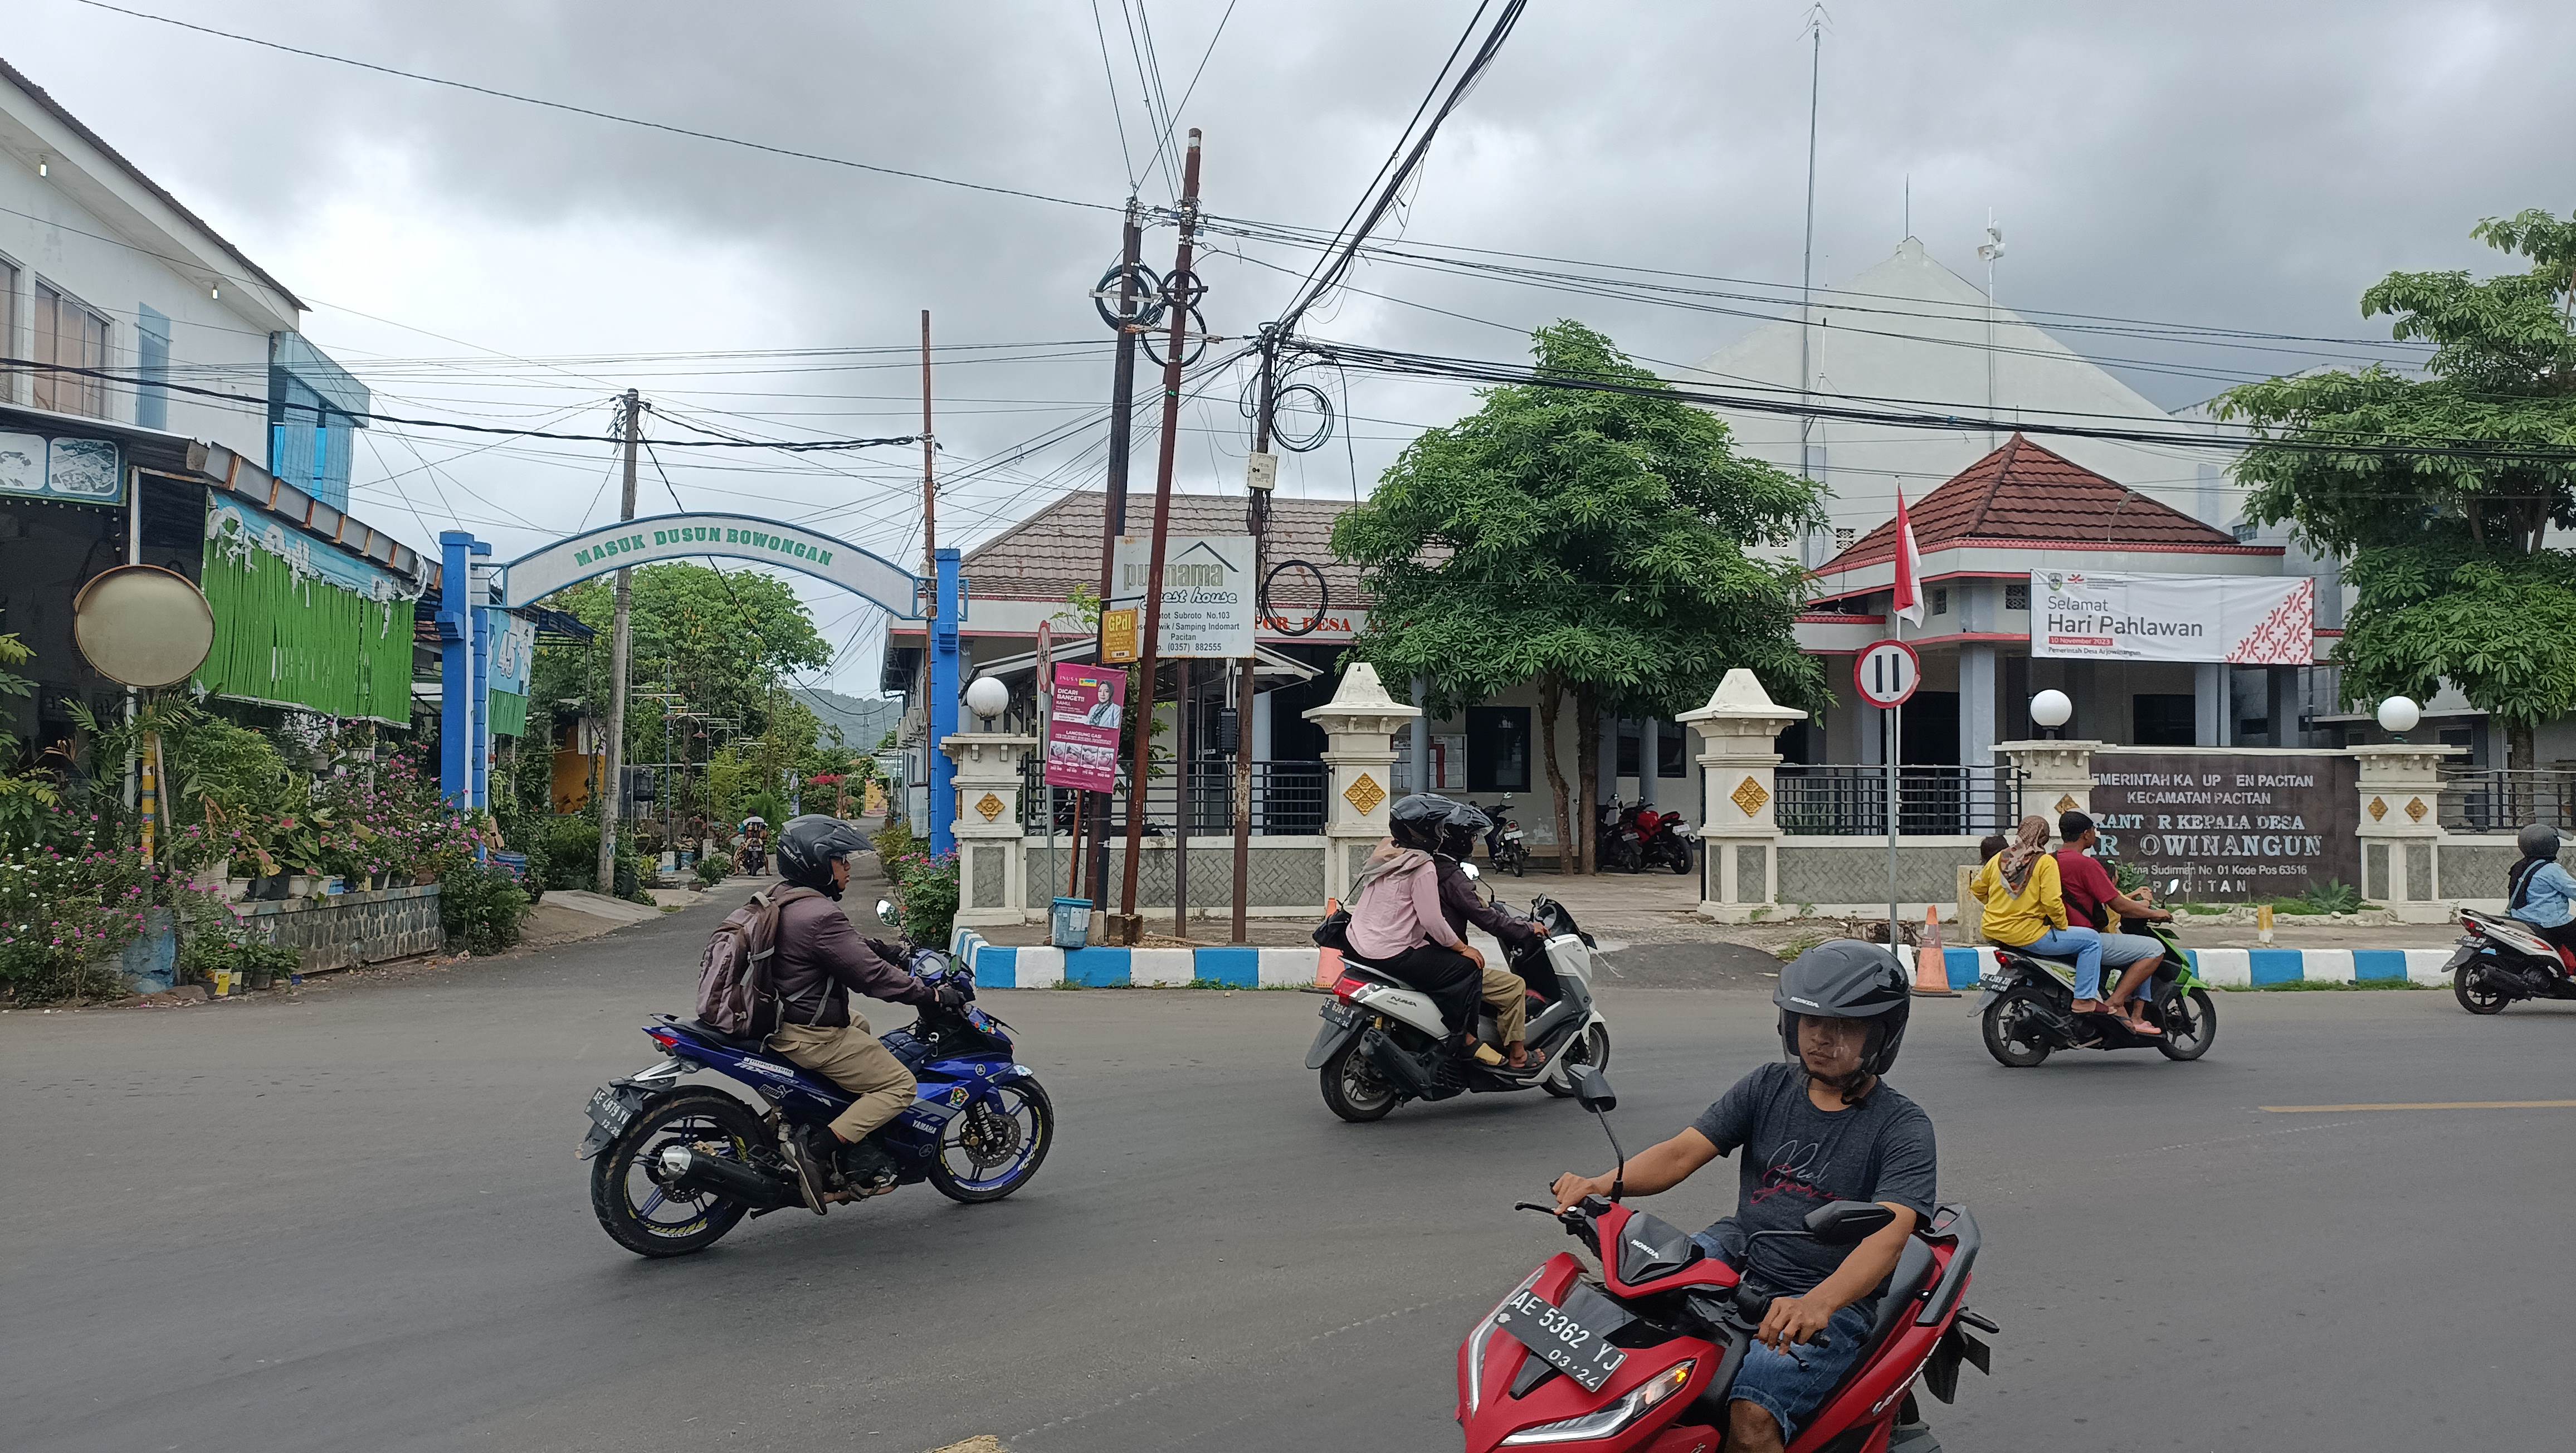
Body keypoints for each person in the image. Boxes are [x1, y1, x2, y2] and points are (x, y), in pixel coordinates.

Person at [1550, 942, 1936, 1453]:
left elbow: (1890, 1235)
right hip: (1738, 1249)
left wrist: (1818, 1303)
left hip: (1823, 1289)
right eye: (1810, 1021)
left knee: (1752, 1419)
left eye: (1844, 1026)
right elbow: (1682, 1153)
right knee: (1625, 1317)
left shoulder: (1903, 1127)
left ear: (1882, 1034)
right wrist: (1602, 1184)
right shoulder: (1768, 1086)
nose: (1821, 1037)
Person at [764, 814, 963, 1210]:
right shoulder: (819, 915)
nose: (848, 867)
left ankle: (825, 1114)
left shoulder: (784, 899)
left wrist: (890, 952)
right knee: (899, 1086)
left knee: (860, 1022)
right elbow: (873, 978)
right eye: (840, 859)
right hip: (809, 1034)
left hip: (778, 1019)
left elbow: (848, 947)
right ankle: (815, 1149)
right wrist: (932, 997)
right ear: (817, 864)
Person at [1345, 795, 1487, 1057]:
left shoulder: (1387, 853)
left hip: (1358, 943)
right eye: (1438, 828)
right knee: (1468, 968)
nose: (1442, 834)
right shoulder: (1423, 866)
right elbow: (1432, 920)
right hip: (1391, 951)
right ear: (1426, 832)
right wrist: (1462, 948)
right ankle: (1465, 1039)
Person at [1425, 797, 1545, 1069]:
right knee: (1514, 986)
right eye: (1471, 836)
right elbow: (1486, 918)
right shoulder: (1452, 876)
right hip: (1444, 956)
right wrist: (1528, 928)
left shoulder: (1427, 867)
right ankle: (1518, 1055)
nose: (1474, 841)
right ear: (1458, 839)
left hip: (1419, 953)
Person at [1968, 815, 2107, 1014]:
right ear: (2044, 837)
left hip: (1993, 930)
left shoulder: (2000, 858)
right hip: (2027, 934)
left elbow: (1977, 888)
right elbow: (2052, 902)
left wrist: (1998, 906)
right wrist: (2061, 925)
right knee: (2092, 940)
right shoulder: (2044, 862)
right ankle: (2084, 999)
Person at [2053, 811, 2168, 1037]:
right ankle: (2116, 1002)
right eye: (2094, 830)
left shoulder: (2049, 861)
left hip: (2056, 936)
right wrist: (2154, 913)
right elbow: (2119, 905)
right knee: (2154, 949)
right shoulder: (2087, 865)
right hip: (2086, 939)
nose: (2095, 834)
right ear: (2086, 834)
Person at [2506, 822, 2576, 955]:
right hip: (2549, 922)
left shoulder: (2520, 866)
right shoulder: (2552, 870)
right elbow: (2573, 890)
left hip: (2522, 918)